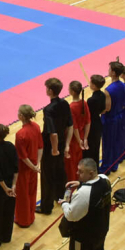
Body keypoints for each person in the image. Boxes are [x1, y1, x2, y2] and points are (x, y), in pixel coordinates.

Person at [61, 158, 112, 250]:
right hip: (101, 229)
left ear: (91, 173)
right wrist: (81, 183)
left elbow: (71, 215)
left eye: (81, 172)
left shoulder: (83, 194)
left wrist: (64, 203)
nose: (77, 173)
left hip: (83, 236)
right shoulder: (105, 179)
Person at [39, 78, 72, 214]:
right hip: (63, 142)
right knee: (59, 171)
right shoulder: (65, 103)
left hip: (51, 147)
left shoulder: (48, 110)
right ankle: (60, 197)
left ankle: (46, 207)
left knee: (47, 176)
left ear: (50, 91)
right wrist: (67, 145)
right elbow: (70, 125)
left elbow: (52, 133)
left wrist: (54, 149)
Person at [14, 105, 43, 228]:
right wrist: (37, 164)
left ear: (21, 116)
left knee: (22, 194)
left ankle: (24, 220)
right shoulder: (36, 127)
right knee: (32, 191)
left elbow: (23, 156)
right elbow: (40, 147)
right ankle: (31, 216)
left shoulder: (20, 134)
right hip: (34, 165)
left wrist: (32, 166)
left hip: (25, 168)